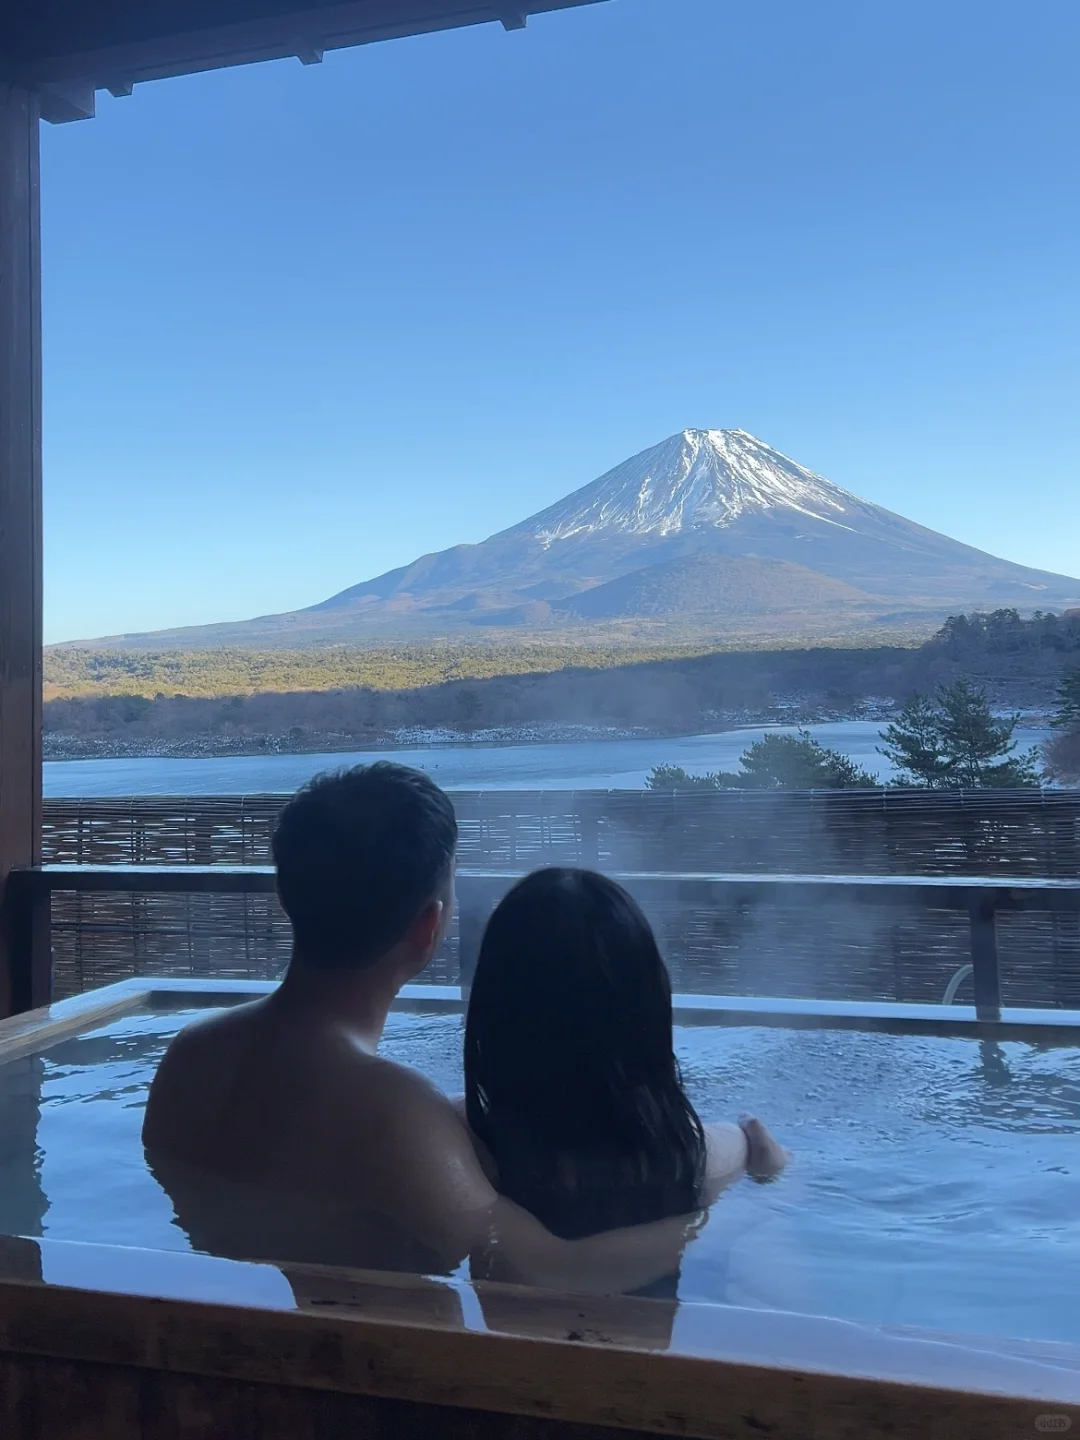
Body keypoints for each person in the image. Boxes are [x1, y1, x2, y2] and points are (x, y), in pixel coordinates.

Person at [143, 763, 699, 1293]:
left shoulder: (190, 1056)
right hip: (362, 1375)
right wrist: (700, 1225)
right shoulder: (391, 1114)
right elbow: (547, 1271)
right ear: (429, 925)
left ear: (286, 895)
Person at [464, 867, 788, 1298]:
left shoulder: (468, 1151)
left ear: (493, 1013)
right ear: (649, 1014)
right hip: (653, 1359)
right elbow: (756, 1150)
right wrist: (758, 1154)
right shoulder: (691, 1154)